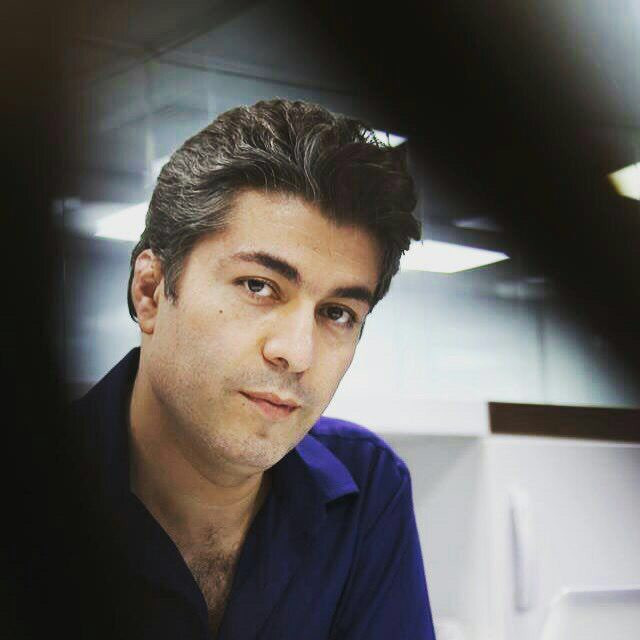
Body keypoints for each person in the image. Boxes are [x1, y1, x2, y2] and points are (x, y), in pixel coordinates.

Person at [68, 99, 436, 639]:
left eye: (337, 313)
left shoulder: (367, 487)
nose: (297, 354)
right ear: (150, 291)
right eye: (259, 286)